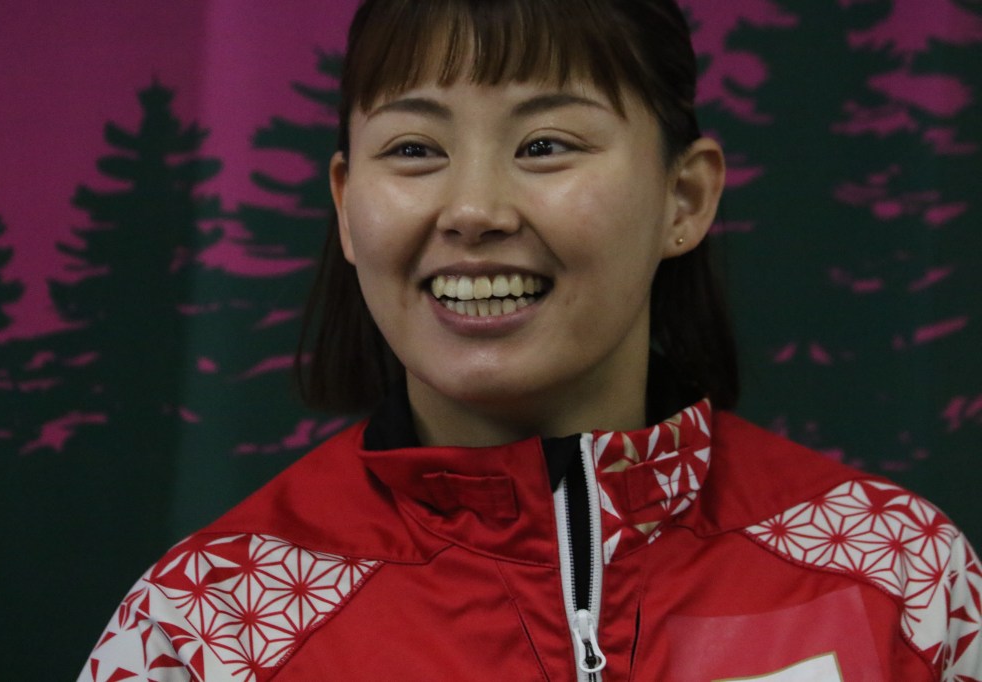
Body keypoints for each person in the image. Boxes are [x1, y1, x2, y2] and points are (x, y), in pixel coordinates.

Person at [79, 0, 982, 680]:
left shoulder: (898, 574)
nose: (474, 209)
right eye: (414, 150)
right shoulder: (203, 627)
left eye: (546, 144)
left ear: (685, 197)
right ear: (347, 208)